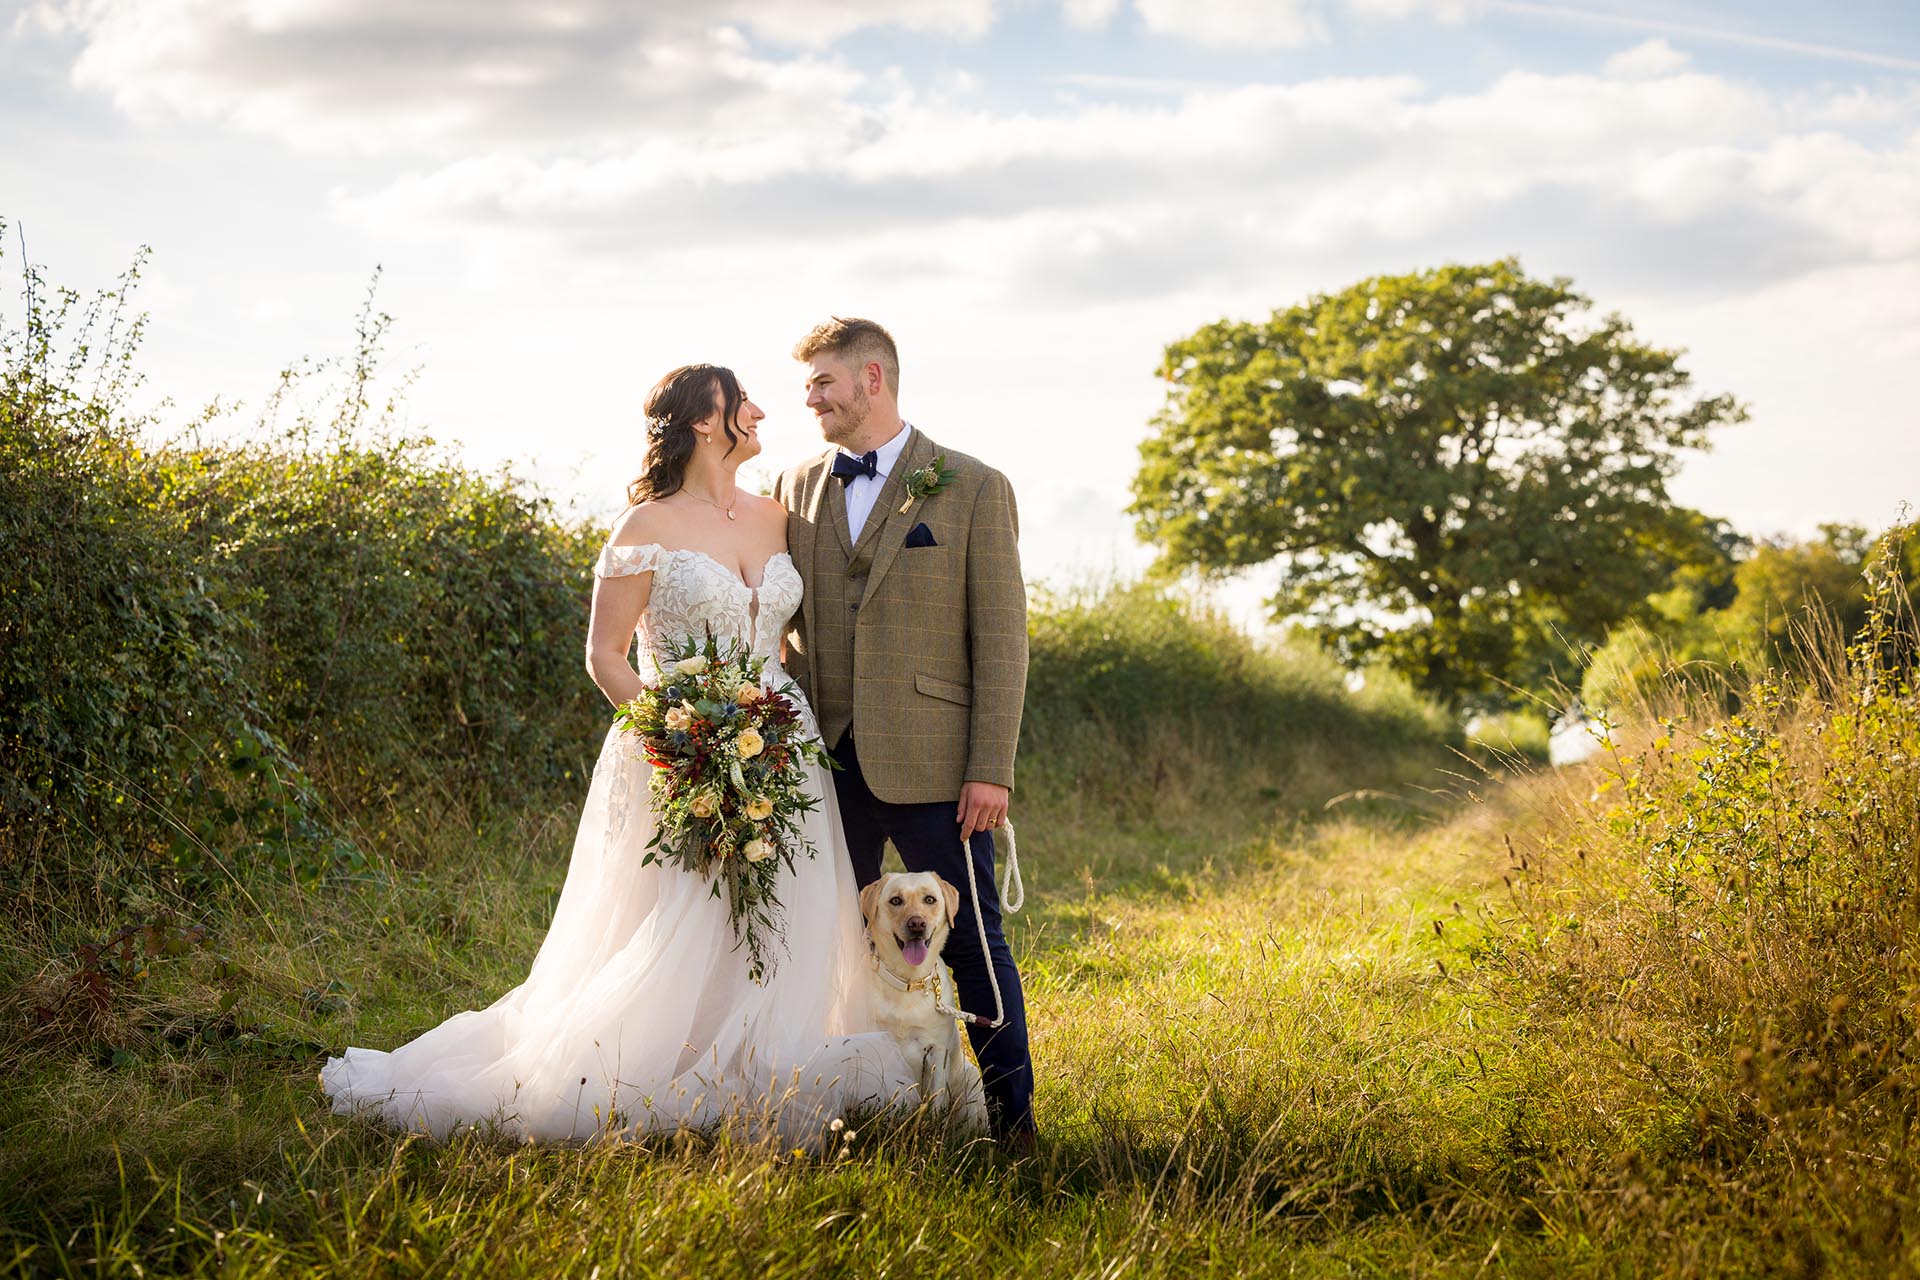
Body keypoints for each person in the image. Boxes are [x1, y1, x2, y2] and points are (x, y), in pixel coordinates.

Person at [319, 363, 906, 1143]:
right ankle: (656, 1064)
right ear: (706, 421)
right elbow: (606, 658)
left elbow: (798, 636)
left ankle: (770, 1065)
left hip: (783, 748)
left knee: (786, 911)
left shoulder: (777, 518)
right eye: (743, 402)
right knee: (687, 915)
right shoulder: (645, 526)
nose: (763, 411)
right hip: (682, 750)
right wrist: (684, 734)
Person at [772, 317, 1036, 1143]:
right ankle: (842, 1110)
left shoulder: (972, 484)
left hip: (936, 764)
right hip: (825, 765)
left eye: (822, 382)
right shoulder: (792, 486)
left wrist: (990, 767)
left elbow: (1001, 638)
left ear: (872, 379)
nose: (809, 397)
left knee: (972, 943)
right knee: (823, 938)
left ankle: (1012, 1121)